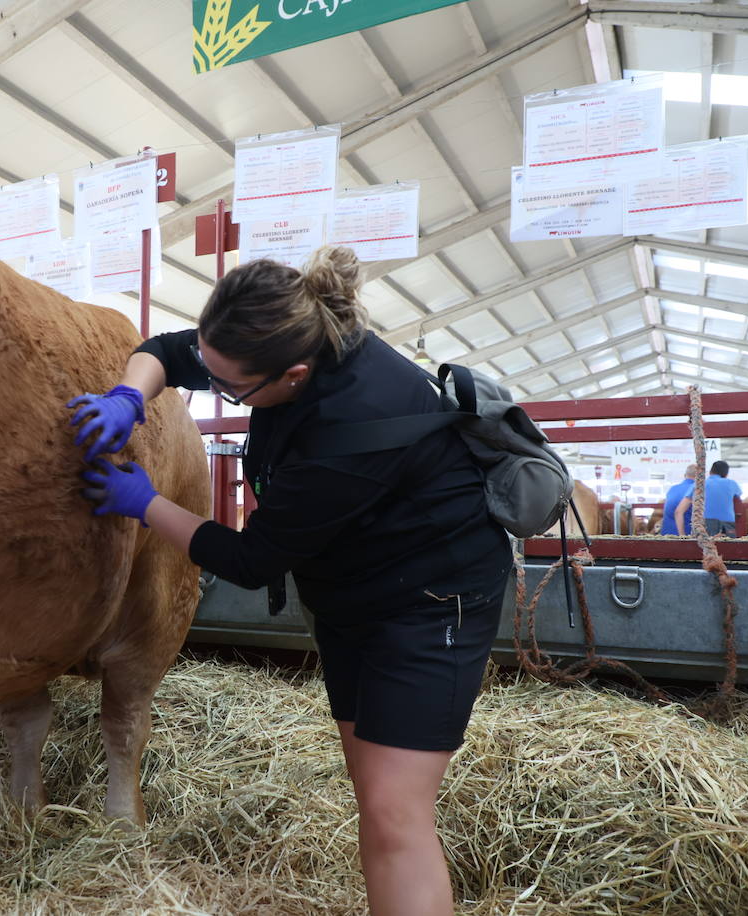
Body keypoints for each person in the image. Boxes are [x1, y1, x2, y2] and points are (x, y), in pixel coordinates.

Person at [66, 246, 510, 916]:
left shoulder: (353, 427)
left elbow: (253, 561)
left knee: (396, 816)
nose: (215, 387)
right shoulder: (278, 341)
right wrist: (132, 395)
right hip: (353, 593)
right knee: (373, 791)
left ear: (294, 375)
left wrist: (145, 503)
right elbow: (164, 347)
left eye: (228, 387)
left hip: (430, 604)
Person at [703, 460, 742, 536]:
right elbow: (738, 500)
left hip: (705, 523)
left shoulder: (700, 484)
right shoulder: (731, 483)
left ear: (710, 471)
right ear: (726, 474)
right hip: (727, 523)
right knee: (729, 547)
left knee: (705, 546)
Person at [659, 464, 697, 536]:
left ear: (685, 475)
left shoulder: (672, 488)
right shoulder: (696, 489)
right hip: (686, 535)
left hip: (665, 535)